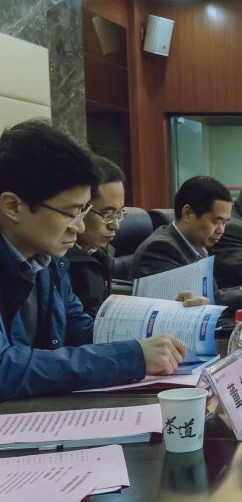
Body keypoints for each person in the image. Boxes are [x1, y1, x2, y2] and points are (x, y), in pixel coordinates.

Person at [0, 120, 186, 400]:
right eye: (70, 213)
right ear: (13, 206)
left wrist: (172, 322)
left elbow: (81, 329)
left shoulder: (47, 259)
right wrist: (130, 357)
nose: (79, 227)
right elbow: (5, 369)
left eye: (83, 212)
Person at [131, 176, 242, 309]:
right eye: (216, 221)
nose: (221, 230)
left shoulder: (198, 246)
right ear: (188, 213)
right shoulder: (160, 249)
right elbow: (195, 302)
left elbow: (210, 294)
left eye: (225, 222)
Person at [66, 156, 125, 318]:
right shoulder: (55, 263)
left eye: (119, 214)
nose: (115, 225)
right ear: (79, 209)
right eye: (107, 214)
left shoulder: (98, 253)